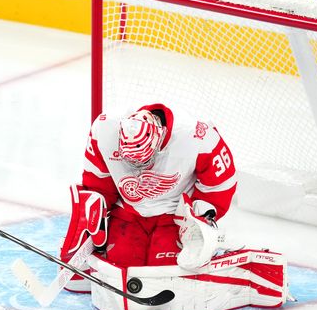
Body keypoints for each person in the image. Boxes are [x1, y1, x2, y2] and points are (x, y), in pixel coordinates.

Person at [60, 103, 238, 291]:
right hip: (128, 212)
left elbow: (220, 185)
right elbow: (98, 181)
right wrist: (93, 222)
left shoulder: (197, 135)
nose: (138, 168)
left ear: (160, 139)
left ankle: (212, 251)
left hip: (173, 216)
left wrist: (200, 219)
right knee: (121, 267)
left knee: (164, 274)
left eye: (144, 160)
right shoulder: (104, 128)